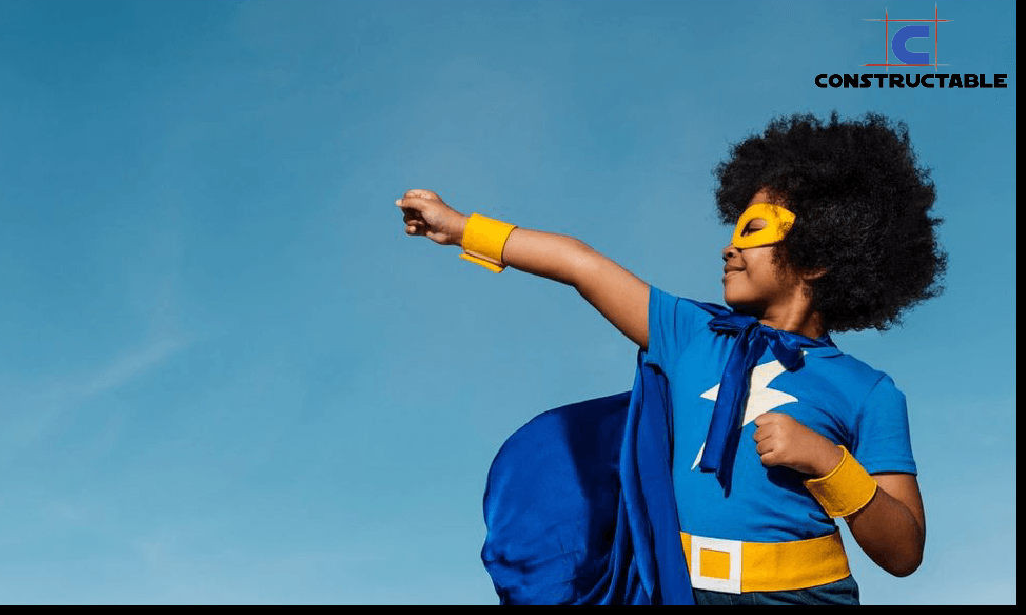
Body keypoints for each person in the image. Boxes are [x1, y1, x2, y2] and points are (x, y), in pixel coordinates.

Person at [394, 112, 944, 605]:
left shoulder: (868, 391)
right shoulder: (689, 333)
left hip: (803, 599)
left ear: (820, 256)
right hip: (677, 591)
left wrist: (830, 464)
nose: (730, 247)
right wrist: (463, 227)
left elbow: (903, 552)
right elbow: (580, 265)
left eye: (754, 230)